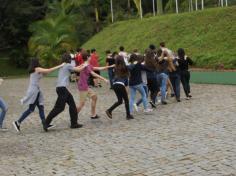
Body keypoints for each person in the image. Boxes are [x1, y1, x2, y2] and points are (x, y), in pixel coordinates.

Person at [13, 58, 65, 132]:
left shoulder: (36, 70)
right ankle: (17, 122)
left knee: (41, 107)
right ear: (36, 62)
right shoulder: (37, 69)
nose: (40, 62)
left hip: (36, 90)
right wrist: (60, 65)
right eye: (39, 61)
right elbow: (48, 70)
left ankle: (45, 124)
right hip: (34, 91)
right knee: (31, 109)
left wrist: (57, 68)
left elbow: (47, 72)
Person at [43, 53, 87, 132]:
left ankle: (74, 123)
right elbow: (78, 70)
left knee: (72, 104)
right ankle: (46, 123)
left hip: (62, 88)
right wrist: (85, 65)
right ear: (68, 59)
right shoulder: (67, 65)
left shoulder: (64, 65)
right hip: (62, 89)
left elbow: (76, 68)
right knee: (59, 108)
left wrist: (83, 64)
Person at [76, 51, 111, 119]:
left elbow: (98, 68)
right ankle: (73, 116)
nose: (91, 58)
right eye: (90, 57)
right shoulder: (86, 65)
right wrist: (104, 79)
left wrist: (110, 66)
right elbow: (94, 74)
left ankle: (93, 114)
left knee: (94, 97)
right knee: (82, 104)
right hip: (83, 86)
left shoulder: (87, 65)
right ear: (88, 57)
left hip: (85, 85)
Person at [106, 56, 134, 120]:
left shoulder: (115, 68)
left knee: (120, 101)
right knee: (126, 100)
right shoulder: (125, 67)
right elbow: (131, 67)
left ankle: (109, 110)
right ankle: (128, 115)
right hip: (120, 85)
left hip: (114, 85)